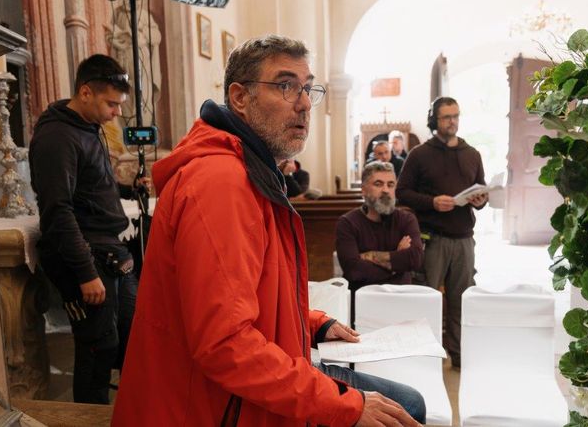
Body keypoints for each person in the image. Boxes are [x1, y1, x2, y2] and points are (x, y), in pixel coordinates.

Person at [112, 35, 422, 426]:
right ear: (240, 97)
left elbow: (249, 294)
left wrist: (314, 323)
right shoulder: (220, 182)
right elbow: (224, 345)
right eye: (286, 85)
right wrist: (345, 406)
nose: (304, 103)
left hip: (240, 388)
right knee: (406, 408)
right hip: (208, 407)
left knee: (405, 402)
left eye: (308, 89)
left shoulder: (249, 171)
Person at [29, 54, 145, 403]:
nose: (117, 112)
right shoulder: (56, 137)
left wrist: (127, 190)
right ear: (85, 92)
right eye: (111, 103)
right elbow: (57, 211)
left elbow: (91, 187)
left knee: (131, 337)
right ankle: (89, 419)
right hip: (90, 256)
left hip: (110, 251)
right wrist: (85, 272)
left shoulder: (87, 127)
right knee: (97, 347)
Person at [396, 96, 487, 369]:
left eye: (456, 116)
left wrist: (480, 200)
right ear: (434, 120)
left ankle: (458, 356)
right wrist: (432, 202)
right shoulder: (419, 154)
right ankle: (426, 357)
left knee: (461, 301)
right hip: (432, 238)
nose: (452, 121)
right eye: (447, 117)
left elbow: (481, 190)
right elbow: (402, 192)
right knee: (428, 300)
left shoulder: (472, 154)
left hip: (464, 238)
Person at [336, 161, 423, 292]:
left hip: (400, 295)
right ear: (364, 190)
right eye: (378, 184)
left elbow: (415, 259)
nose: (386, 190)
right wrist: (396, 263)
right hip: (362, 297)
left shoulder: (407, 219)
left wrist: (369, 256)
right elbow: (353, 270)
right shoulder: (347, 222)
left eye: (390, 184)